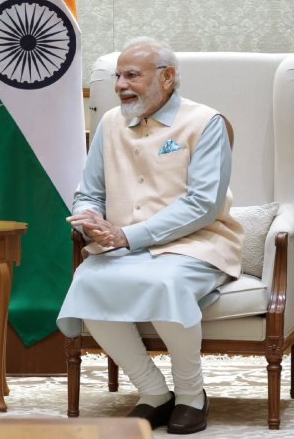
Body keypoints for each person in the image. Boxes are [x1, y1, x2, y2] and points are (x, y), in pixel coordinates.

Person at [57, 37, 243, 434]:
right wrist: (88, 219)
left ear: (168, 77)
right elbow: (89, 192)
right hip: (124, 244)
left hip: (198, 243)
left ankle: (192, 396)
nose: (121, 85)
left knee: (165, 282)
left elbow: (203, 205)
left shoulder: (205, 122)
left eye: (132, 76)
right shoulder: (109, 123)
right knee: (88, 282)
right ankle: (154, 393)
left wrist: (126, 235)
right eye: (117, 77)